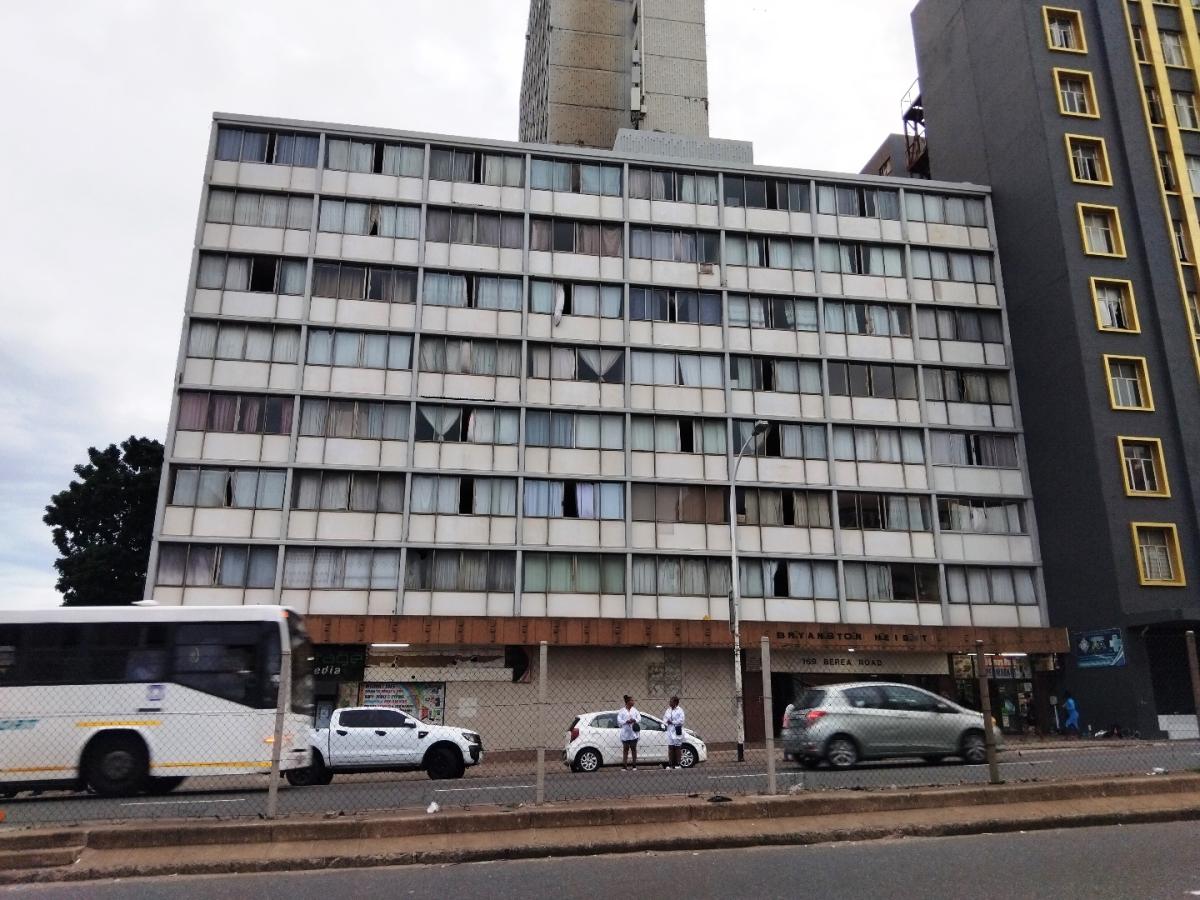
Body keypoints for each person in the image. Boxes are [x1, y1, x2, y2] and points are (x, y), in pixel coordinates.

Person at [617, 694, 641, 770]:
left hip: (633, 733)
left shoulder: (635, 710)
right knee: (625, 749)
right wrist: (626, 721)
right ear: (628, 702)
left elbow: (639, 718)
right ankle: (624, 766)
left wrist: (634, 720)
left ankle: (634, 765)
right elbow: (619, 720)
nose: (633, 701)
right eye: (632, 700)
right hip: (625, 733)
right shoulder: (622, 711)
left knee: (633, 749)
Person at [662, 695, 686, 769]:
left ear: (675, 702)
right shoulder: (668, 710)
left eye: (671, 701)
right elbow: (664, 718)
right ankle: (670, 764)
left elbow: (681, 720)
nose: (669, 703)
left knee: (677, 747)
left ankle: (678, 764)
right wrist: (666, 722)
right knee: (670, 747)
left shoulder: (680, 710)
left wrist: (673, 722)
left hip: (676, 730)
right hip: (669, 730)